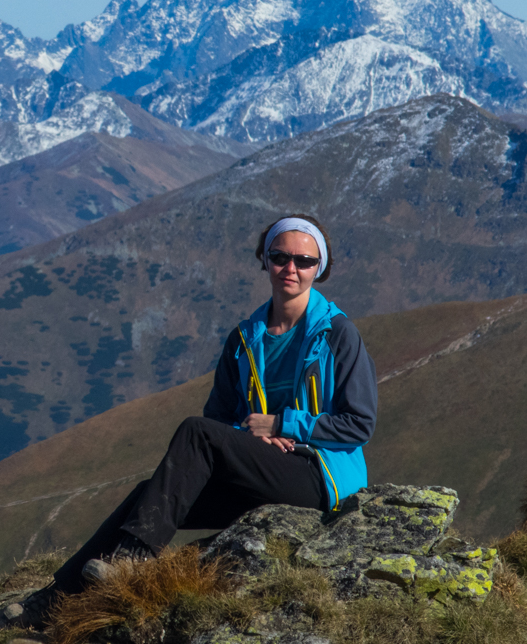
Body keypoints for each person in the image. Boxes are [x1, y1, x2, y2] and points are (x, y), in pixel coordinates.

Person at [27, 214, 378, 611]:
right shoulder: (244, 340)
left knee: (194, 433)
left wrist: (283, 423)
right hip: (260, 473)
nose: (290, 268)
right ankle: (51, 602)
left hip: (318, 478)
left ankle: (133, 561)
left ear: (320, 268)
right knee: (151, 495)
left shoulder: (338, 334)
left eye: (304, 261)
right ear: (265, 259)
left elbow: (359, 424)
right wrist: (252, 437)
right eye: (280, 257)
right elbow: (221, 420)